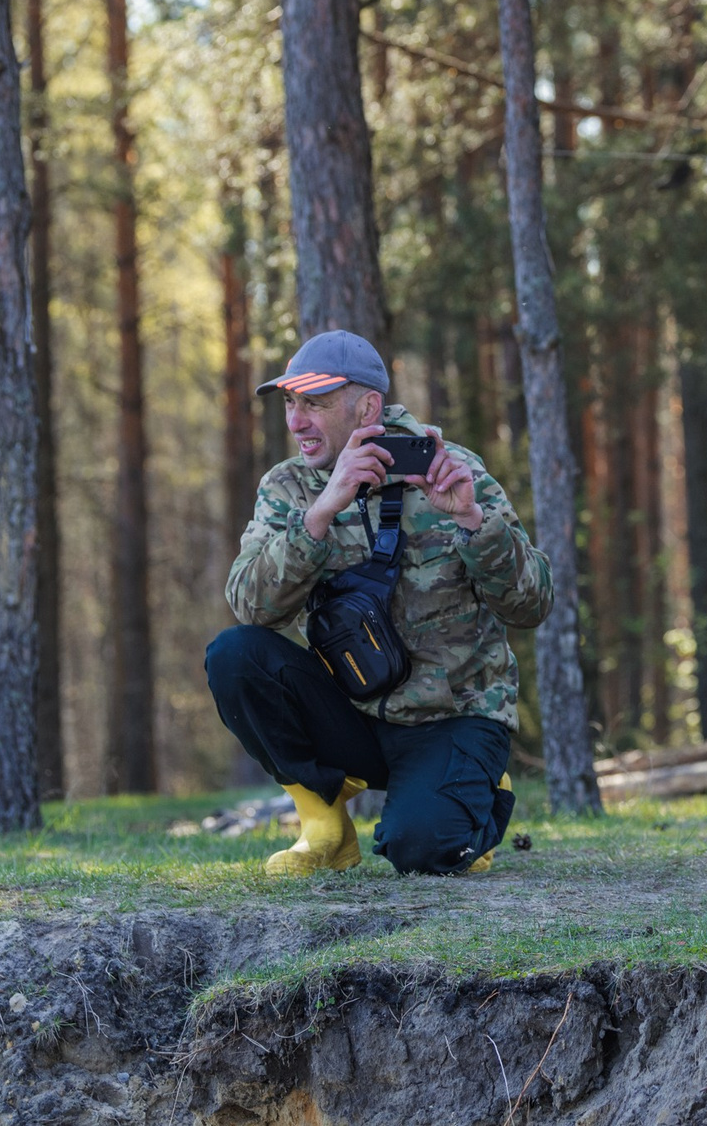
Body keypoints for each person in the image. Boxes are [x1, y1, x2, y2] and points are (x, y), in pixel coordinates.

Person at [204, 329, 552, 877]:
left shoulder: (453, 470)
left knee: (423, 853)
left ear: (367, 407)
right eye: (291, 404)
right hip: (351, 716)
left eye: (314, 403)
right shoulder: (290, 487)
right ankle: (325, 828)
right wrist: (319, 514)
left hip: (451, 716)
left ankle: (477, 787)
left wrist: (472, 522)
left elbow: (532, 605)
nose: (296, 421)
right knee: (234, 655)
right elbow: (251, 604)